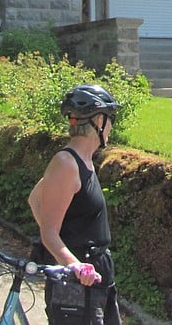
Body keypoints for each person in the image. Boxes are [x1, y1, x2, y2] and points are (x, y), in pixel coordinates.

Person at [29, 84, 122, 325]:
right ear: (99, 121)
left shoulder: (83, 161)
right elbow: (48, 232)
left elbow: (35, 199)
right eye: (110, 119)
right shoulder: (66, 164)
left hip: (95, 276)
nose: (111, 126)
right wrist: (74, 264)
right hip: (77, 285)